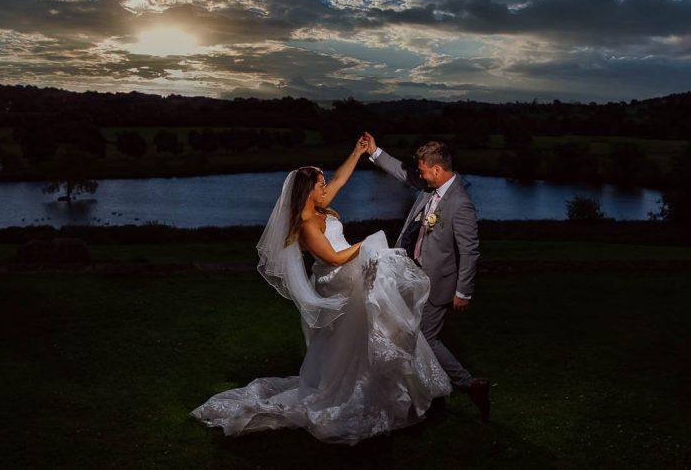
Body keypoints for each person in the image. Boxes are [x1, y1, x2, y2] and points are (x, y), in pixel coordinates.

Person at [190, 138, 451, 444]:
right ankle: (349, 389)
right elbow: (332, 257)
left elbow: (341, 177)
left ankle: (380, 384)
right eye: (320, 183)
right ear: (308, 190)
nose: (325, 187)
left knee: (373, 324)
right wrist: (366, 244)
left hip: (351, 271)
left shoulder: (321, 207)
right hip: (337, 278)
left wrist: (358, 151)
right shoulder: (306, 222)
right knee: (353, 334)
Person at [363, 133, 490, 421]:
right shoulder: (428, 187)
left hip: (438, 284)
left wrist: (463, 292)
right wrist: (374, 151)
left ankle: (470, 386)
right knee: (405, 334)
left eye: (423, 170)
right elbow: (403, 173)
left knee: (425, 338)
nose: (419, 175)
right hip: (412, 277)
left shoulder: (461, 204)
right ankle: (422, 391)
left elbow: (470, 251)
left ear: (437, 169)